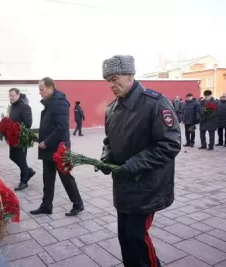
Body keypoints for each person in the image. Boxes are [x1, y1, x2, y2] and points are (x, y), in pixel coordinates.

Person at [97, 55, 181, 267]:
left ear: (130, 75)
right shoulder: (112, 108)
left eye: (114, 78)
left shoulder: (155, 103)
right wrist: (106, 156)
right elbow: (109, 140)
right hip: (123, 186)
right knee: (125, 238)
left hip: (146, 187)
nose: (111, 85)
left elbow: (169, 144)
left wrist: (133, 165)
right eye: (107, 80)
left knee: (137, 238)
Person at [30, 77, 84, 217]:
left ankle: (78, 204)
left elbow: (62, 127)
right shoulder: (50, 101)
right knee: (48, 178)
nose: (40, 93)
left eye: (41, 90)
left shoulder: (59, 102)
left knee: (65, 176)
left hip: (59, 148)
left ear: (49, 88)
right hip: (49, 148)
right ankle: (46, 205)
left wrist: (46, 142)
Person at [8, 88, 36, 191]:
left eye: (12, 96)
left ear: (18, 95)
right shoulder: (12, 107)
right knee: (12, 156)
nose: (10, 98)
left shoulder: (25, 107)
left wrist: (17, 128)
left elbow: (28, 123)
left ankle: (24, 181)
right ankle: (28, 171)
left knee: (21, 159)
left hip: (22, 138)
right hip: (12, 137)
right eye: (9, 96)